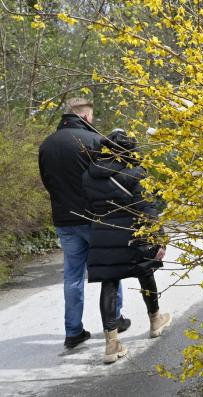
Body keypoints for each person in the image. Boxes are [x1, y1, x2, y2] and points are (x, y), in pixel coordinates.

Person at [39, 98, 130, 349]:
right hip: (94, 217)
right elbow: (108, 180)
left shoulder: (47, 145)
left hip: (64, 219)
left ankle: (73, 331)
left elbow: (47, 182)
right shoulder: (92, 141)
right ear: (87, 117)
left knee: (72, 277)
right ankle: (115, 320)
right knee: (109, 269)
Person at [82, 129, 172, 364]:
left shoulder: (88, 175)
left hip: (102, 234)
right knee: (145, 273)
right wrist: (160, 239)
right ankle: (155, 320)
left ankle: (111, 343)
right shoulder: (136, 172)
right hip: (133, 234)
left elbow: (88, 206)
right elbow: (148, 209)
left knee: (109, 283)